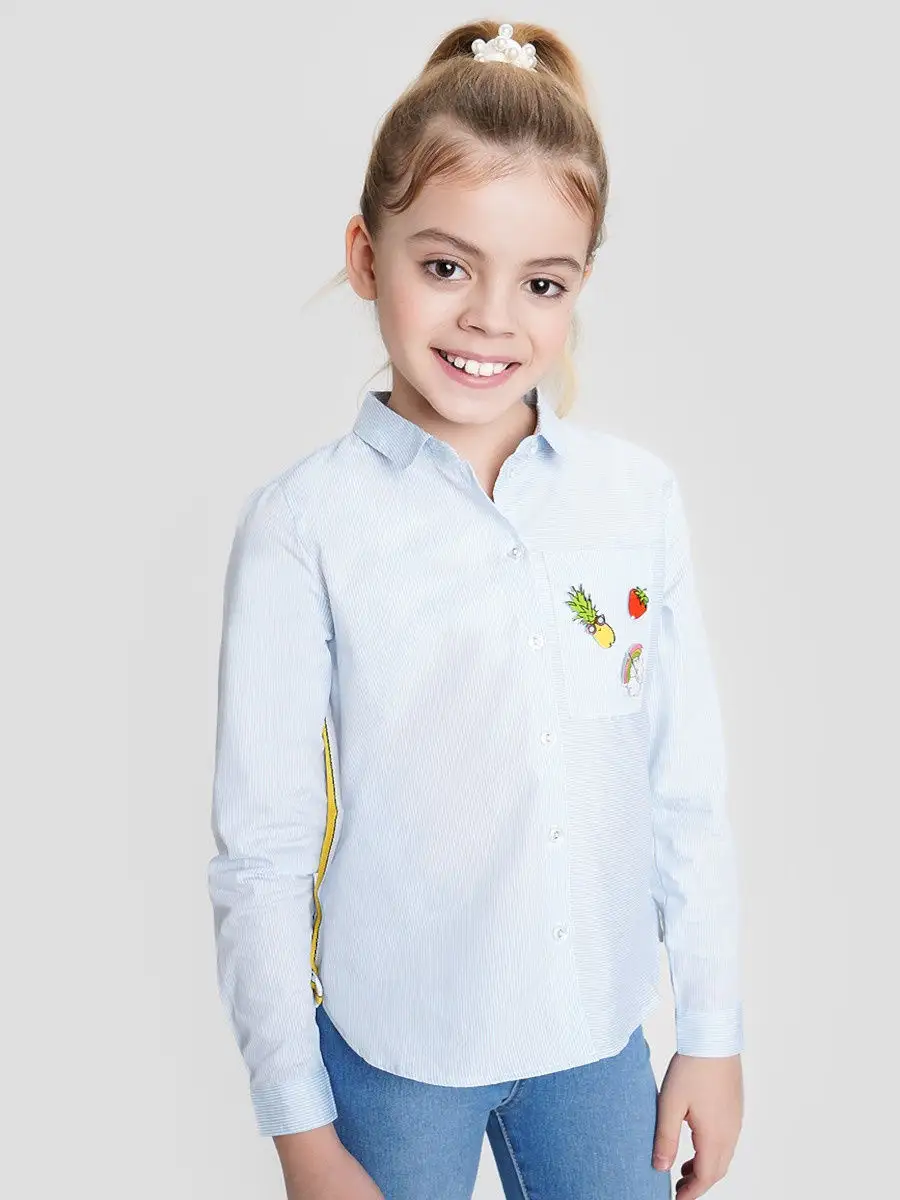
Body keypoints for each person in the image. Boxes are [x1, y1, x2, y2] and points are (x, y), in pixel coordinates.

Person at [207, 18, 745, 1200]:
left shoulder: (634, 501)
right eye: (446, 267)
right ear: (367, 256)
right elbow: (262, 852)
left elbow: (682, 787)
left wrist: (711, 1030)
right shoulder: (305, 526)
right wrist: (300, 1130)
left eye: (541, 282)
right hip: (395, 1050)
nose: (493, 318)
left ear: (578, 285)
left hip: (594, 1036)